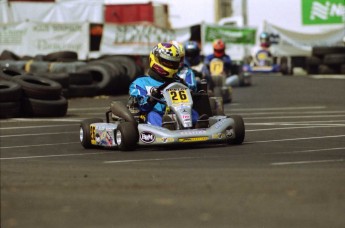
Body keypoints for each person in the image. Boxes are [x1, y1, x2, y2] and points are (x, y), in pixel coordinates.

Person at [129, 42, 203, 128]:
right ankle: (166, 127)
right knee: (153, 115)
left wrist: (191, 93)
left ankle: (198, 125)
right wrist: (152, 99)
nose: (170, 65)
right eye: (167, 62)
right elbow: (141, 106)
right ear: (155, 59)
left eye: (173, 63)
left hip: (178, 113)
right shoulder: (140, 83)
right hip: (152, 117)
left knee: (193, 112)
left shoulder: (178, 81)